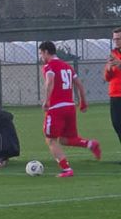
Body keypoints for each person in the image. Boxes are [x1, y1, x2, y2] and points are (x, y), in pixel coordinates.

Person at [39, 41, 101, 177]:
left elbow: (50, 81)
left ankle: (66, 169)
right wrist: (83, 102)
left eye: (41, 53)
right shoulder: (67, 67)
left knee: (50, 139)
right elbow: (79, 84)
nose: (41, 57)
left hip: (56, 108)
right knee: (65, 139)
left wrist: (47, 100)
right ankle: (90, 144)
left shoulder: (48, 66)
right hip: (69, 107)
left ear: (45, 52)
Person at [104, 27, 121, 151]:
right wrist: (109, 69)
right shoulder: (113, 53)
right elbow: (107, 78)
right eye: (115, 39)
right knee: (117, 125)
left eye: (119, 39)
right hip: (115, 95)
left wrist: (120, 64)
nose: (116, 41)